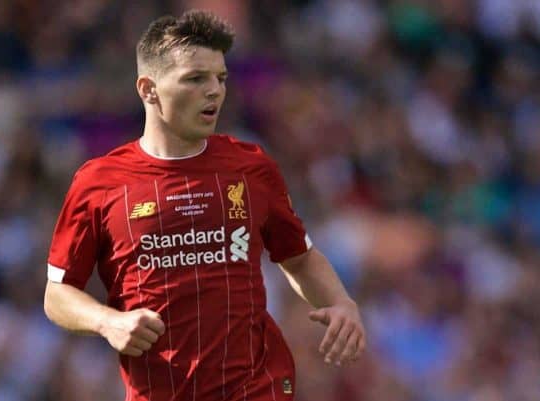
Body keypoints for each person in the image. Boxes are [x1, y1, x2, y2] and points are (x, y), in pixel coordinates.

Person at [44, 10, 366, 401]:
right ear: (148, 89)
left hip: (257, 387)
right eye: (196, 79)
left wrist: (341, 302)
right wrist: (106, 321)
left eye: (220, 78)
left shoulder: (252, 168)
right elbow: (58, 294)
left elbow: (297, 257)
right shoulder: (99, 182)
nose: (214, 90)